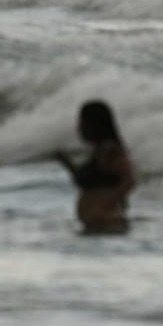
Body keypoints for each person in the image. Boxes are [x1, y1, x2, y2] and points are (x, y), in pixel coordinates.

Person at [54, 100, 135, 234]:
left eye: (83, 123)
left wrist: (104, 205)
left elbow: (129, 180)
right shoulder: (99, 152)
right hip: (97, 225)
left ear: (96, 125)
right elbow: (87, 183)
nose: (79, 129)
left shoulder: (110, 150)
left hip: (107, 223)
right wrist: (66, 162)